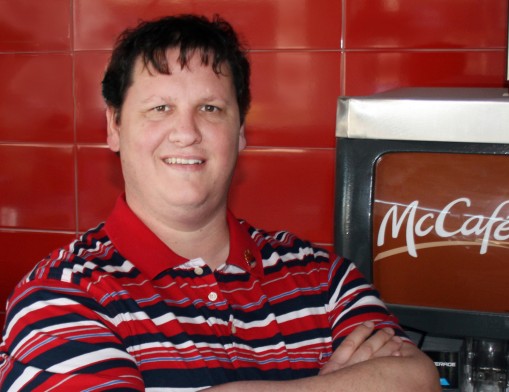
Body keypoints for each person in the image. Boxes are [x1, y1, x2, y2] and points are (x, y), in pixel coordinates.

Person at [0, 14, 440, 391]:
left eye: (210, 108)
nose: (186, 132)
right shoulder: (60, 296)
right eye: (159, 108)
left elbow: (417, 380)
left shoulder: (323, 279)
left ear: (241, 130)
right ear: (114, 126)